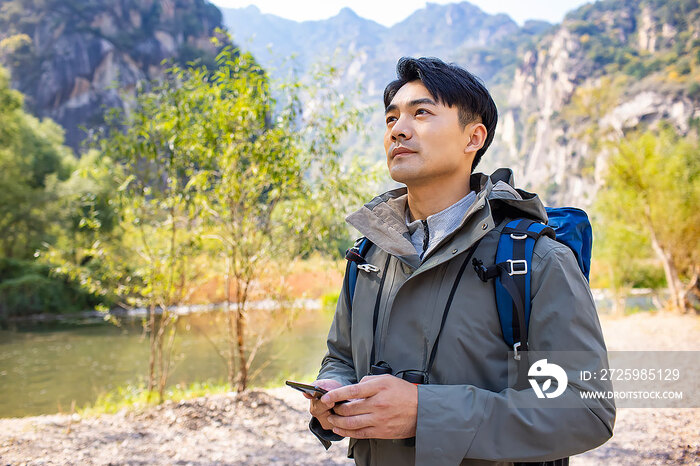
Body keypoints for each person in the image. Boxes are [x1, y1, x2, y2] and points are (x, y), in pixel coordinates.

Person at [304, 57, 615, 465]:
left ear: (474, 138)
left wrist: (426, 413)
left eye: (422, 113)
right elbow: (341, 357)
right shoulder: (370, 254)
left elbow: (586, 411)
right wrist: (334, 390)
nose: (398, 129)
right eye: (391, 118)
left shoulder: (536, 259)